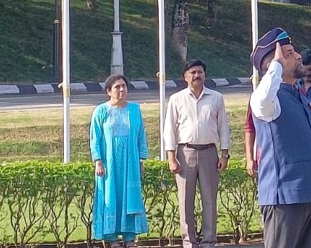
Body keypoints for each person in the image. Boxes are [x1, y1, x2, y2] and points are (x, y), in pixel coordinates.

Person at [250, 28, 311, 247]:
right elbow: (263, 98)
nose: (299, 56)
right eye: (290, 53)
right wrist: (277, 65)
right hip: (284, 196)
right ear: (272, 64)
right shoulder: (268, 99)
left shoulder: (297, 94)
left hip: (308, 192)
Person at [163, 59, 231, 248]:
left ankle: (209, 241)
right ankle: (189, 242)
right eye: (192, 72)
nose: (196, 75)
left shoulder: (216, 97)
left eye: (200, 72)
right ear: (185, 77)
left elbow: (223, 126)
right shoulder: (177, 99)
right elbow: (169, 129)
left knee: (210, 200)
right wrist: (171, 157)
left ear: (205, 75)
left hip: (209, 152)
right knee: (186, 201)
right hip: (185, 153)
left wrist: (225, 154)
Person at [91, 75, 149, 248]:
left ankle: (130, 237)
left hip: (130, 163)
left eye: (124, 86)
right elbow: (95, 138)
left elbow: (141, 137)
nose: (122, 90)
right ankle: (112, 238)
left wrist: (141, 161)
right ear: (109, 91)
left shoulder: (134, 110)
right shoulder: (101, 111)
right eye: (117, 87)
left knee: (129, 197)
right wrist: (98, 161)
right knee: (110, 196)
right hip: (109, 164)